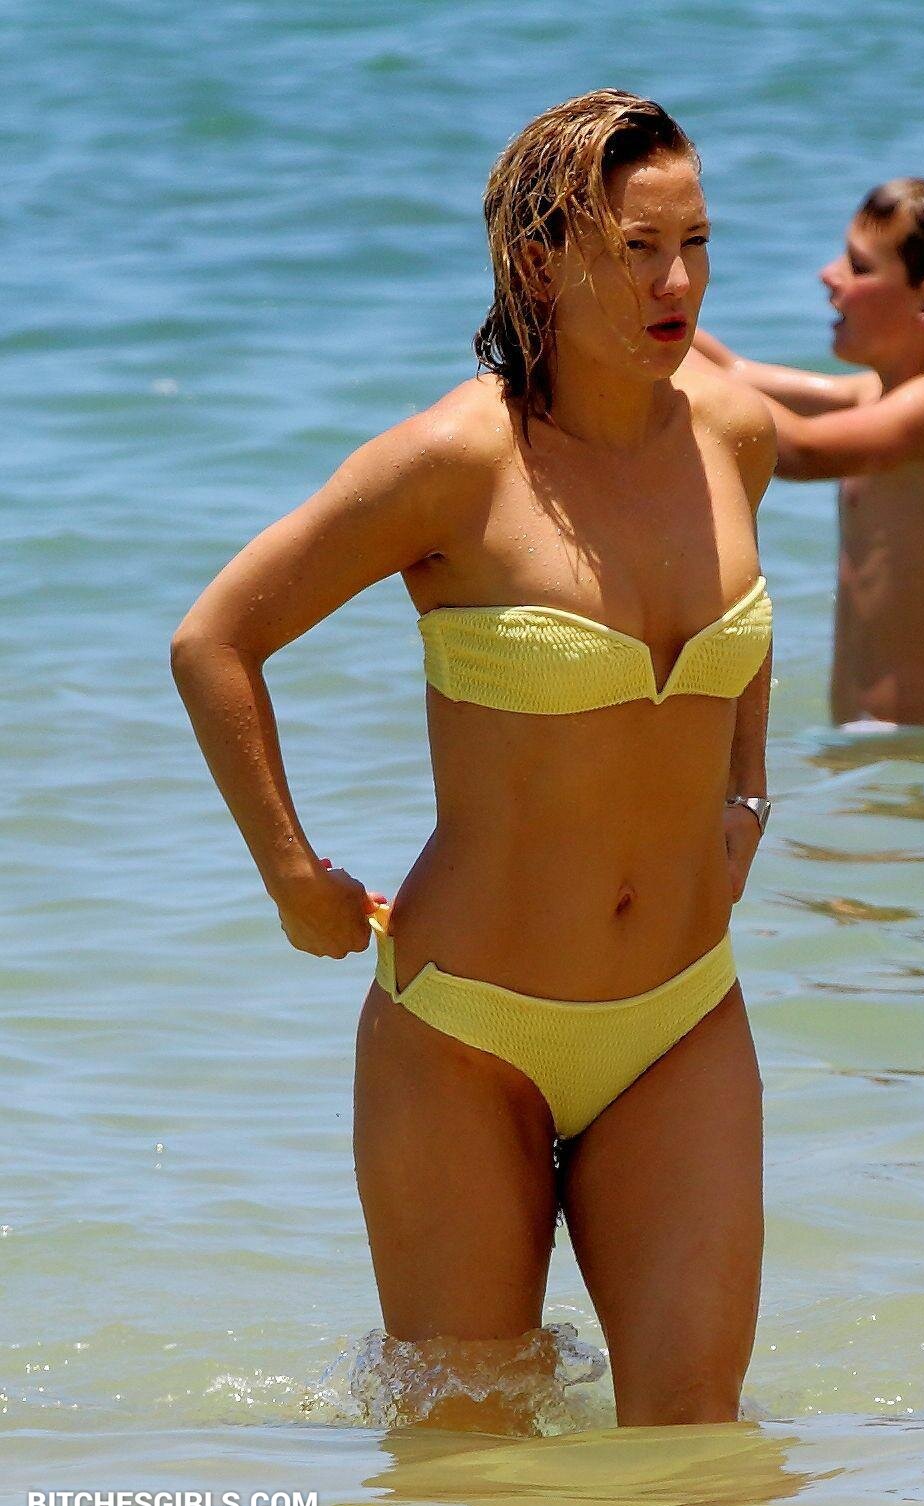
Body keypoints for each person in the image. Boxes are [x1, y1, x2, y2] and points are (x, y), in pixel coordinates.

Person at [171, 89, 777, 1430]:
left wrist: (748, 789)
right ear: (540, 263)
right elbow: (216, 641)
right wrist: (292, 873)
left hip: (682, 1016)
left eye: (695, 243)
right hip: (466, 1035)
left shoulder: (733, 433)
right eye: (636, 248)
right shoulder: (456, 461)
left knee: (698, 1450)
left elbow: (741, 619)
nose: (677, 284)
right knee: (469, 1461)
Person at [688, 178, 924, 730]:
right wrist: (641, 313)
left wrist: (673, 364)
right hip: (881, 740)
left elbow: (799, 450)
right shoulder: (875, 394)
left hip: (920, 739)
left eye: (859, 267)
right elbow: (734, 371)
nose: (829, 274)